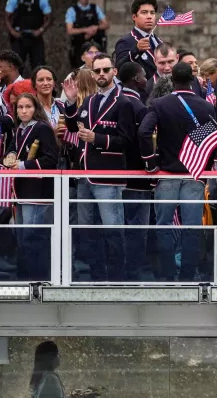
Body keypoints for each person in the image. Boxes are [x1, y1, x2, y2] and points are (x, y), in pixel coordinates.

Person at [139, 62, 217, 282]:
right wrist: (204, 167)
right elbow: (211, 142)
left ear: (171, 79)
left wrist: (150, 163)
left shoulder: (160, 103)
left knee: (164, 226)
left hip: (167, 173)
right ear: (192, 79)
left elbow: (144, 132)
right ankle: (187, 275)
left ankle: (168, 275)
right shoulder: (206, 106)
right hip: (194, 173)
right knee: (192, 228)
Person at [62, 54, 134, 282]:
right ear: (92, 74)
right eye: (98, 71)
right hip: (84, 174)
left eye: (106, 70)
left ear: (114, 72)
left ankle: (117, 278)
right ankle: (96, 275)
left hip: (107, 175)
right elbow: (73, 127)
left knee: (113, 228)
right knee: (86, 229)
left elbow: (127, 140)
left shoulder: (124, 102)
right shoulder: (90, 100)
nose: (102, 74)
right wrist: (72, 102)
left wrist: (97, 138)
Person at [8, 93, 58, 281]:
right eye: (20, 107)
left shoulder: (42, 128)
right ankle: (23, 279)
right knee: (22, 238)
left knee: (33, 237)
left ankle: (38, 280)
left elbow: (51, 159)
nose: (23, 111)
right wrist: (10, 158)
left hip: (38, 191)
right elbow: (12, 151)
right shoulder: (19, 129)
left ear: (35, 108)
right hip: (21, 191)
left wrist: (22, 165)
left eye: (27, 106)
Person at [118, 62, 152, 281]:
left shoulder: (117, 100)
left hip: (119, 175)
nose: (146, 80)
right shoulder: (137, 106)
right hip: (137, 176)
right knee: (137, 226)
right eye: (143, 75)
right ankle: (133, 271)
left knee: (125, 225)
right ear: (135, 79)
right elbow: (142, 140)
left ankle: (125, 269)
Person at [5, 0, 52, 70]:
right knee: (16, 66)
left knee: (39, 66)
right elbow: (7, 17)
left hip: (35, 36)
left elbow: (49, 18)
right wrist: (13, 32)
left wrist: (40, 30)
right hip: (19, 36)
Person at [114, 0, 161, 78]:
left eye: (152, 13)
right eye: (144, 12)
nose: (149, 16)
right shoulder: (126, 41)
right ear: (134, 16)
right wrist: (136, 51)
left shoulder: (160, 43)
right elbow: (120, 69)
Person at [65, 0, 108, 68]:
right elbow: (69, 30)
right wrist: (86, 30)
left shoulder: (95, 8)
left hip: (96, 45)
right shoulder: (72, 10)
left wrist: (95, 28)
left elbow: (106, 24)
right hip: (80, 46)